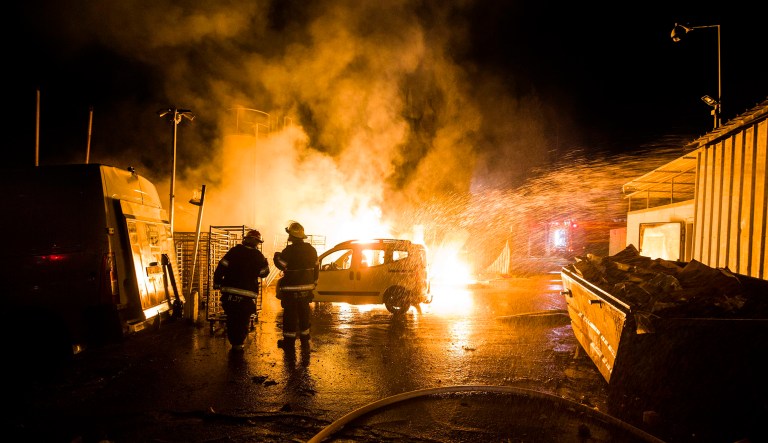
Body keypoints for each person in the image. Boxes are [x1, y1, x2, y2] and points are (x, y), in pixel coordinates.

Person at [213, 229, 270, 351]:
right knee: (242, 320)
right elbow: (264, 273)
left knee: (231, 318)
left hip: (229, 292)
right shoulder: (258, 256)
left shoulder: (234, 251)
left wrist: (217, 282)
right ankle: (238, 345)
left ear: (246, 239)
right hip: (246, 295)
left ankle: (234, 343)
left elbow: (221, 267)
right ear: (257, 242)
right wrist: (266, 263)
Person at [274, 221, 319, 349]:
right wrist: (314, 283)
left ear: (292, 237)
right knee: (304, 313)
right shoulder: (311, 250)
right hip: (307, 289)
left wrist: (276, 256)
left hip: (291, 290)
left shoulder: (289, 250)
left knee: (290, 315)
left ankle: (289, 342)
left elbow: (281, 265)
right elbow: (316, 267)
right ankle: (305, 338)